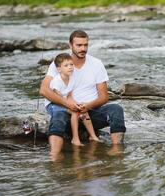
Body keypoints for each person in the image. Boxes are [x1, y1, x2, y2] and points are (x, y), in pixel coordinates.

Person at [40, 30, 126, 158]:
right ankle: (54, 155)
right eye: (79, 45)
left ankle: (116, 150)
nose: (83, 48)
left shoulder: (96, 64)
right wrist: (67, 104)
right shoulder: (60, 63)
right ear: (70, 45)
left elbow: (104, 97)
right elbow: (44, 90)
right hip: (65, 111)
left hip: (89, 113)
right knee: (58, 115)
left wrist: (87, 106)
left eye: (85, 45)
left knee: (116, 110)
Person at [44, 53, 102, 147]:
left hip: (64, 102)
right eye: (66, 65)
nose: (70, 67)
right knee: (75, 112)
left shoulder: (71, 78)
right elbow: (58, 99)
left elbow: (69, 95)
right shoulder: (57, 81)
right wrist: (72, 106)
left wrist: (77, 104)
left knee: (83, 111)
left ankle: (93, 136)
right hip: (53, 104)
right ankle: (75, 139)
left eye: (71, 64)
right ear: (59, 69)